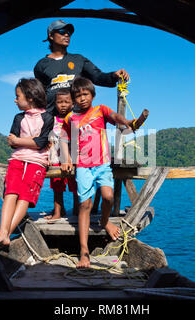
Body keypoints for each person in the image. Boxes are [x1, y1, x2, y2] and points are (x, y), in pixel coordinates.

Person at [60, 77, 135, 268]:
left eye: (85, 94)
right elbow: (63, 139)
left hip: (102, 164)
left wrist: (126, 122)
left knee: (108, 196)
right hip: (83, 166)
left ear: (92, 95)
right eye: (78, 96)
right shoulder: (71, 118)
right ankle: (84, 252)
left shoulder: (100, 110)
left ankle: (104, 221)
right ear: (74, 99)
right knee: (85, 204)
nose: (82, 98)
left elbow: (115, 117)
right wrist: (66, 159)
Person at [0, 78, 54, 251]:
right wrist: (28, 141)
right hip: (17, 160)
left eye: (18, 96)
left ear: (30, 97)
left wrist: (21, 141)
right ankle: (2, 233)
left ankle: (7, 234)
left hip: (37, 162)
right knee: (10, 194)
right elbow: (11, 141)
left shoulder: (47, 117)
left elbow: (41, 142)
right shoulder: (18, 118)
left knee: (24, 198)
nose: (15, 100)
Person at [34, 19, 130, 114]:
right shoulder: (41, 65)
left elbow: (97, 76)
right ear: (51, 35)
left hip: (77, 117)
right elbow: (40, 95)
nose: (67, 35)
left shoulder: (79, 59)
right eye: (62, 32)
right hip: (52, 119)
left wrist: (114, 75)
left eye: (69, 33)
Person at [45, 88, 79, 220]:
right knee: (57, 186)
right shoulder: (52, 120)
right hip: (55, 157)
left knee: (76, 185)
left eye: (66, 102)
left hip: (72, 158)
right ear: (55, 104)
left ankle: (77, 209)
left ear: (73, 104)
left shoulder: (75, 119)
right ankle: (59, 211)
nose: (63, 104)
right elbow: (48, 140)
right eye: (60, 102)